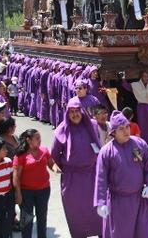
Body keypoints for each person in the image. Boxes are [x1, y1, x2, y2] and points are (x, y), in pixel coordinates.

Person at [94, 111, 148, 238]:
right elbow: (101, 178)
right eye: (121, 128)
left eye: (127, 127)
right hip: (118, 203)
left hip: (140, 199)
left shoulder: (139, 144)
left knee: (145, 233)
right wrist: (101, 202)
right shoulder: (106, 152)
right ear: (113, 132)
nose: (126, 131)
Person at [51, 98, 102, 238]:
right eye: (71, 112)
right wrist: (63, 167)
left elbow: (99, 145)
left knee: (98, 212)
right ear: (67, 114)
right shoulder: (61, 130)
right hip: (72, 180)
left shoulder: (92, 125)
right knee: (76, 214)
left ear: (82, 111)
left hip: (93, 176)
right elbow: (54, 155)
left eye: (77, 111)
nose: (75, 114)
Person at [14, 129, 59, 238]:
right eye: (37, 138)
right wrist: (18, 194)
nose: (40, 140)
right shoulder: (20, 155)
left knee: (42, 218)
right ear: (28, 140)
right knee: (27, 219)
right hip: (26, 192)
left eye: (40, 138)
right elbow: (16, 176)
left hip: (43, 190)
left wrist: (55, 168)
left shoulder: (44, 150)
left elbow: (51, 163)